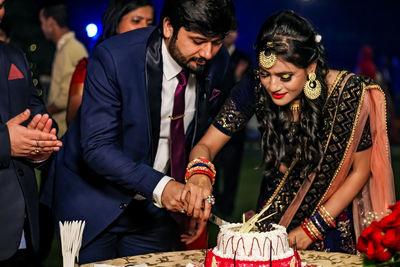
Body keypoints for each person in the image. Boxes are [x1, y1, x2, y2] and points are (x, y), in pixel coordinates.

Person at [41, 0, 237, 264]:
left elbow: (197, 132)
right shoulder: (115, 57)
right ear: (168, 27)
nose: (208, 53)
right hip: (92, 200)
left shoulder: (218, 60)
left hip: (153, 212)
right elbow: (97, 147)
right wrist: (163, 186)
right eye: (198, 41)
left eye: (216, 42)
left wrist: (190, 196)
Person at [188, 10, 396, 254]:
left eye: (285, 77)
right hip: (273, 222)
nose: (273, 86)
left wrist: (313, 228)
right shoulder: (255, 86)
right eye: (265, 74)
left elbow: (361, 170)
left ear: (311, 68)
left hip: (330, 221)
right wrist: (199, 175)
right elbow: (205, 146)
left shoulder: (349, 95)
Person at [0, 0, 63, 265]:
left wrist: (40, 142)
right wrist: (6, 143)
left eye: (1, 3)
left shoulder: (14, 56)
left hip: (20, 229)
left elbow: (39, 115)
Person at [66, 0, 155, 125]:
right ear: (116, 22)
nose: (144, 28)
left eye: (149, 23)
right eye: (136, 21)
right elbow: (74, 120)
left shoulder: (154, 67)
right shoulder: (90, 67)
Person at [212, 28, 252, 219]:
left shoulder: (243, 58)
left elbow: (248, 91)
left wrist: (238, 77)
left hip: (237, 129)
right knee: (214, 167)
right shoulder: (212, 55)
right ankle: (214, 204)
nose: (230, 34)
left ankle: (227, 208)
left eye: (234, 31)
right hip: (214, 121)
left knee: (232, 169)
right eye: (227, 31)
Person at [39, 4, 88, 137]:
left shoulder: (71, 48)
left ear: (50, 23)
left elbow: (67, 94)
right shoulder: (64, 47)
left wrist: (44, 112)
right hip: (61, 128)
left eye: (42, 23)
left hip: (66, 130)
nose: (42, 28)